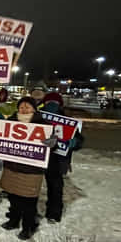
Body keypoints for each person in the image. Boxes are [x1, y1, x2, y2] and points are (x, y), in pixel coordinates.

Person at [0, 97, 57, 240]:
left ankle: (28, 226)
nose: (24, 109)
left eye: (28, 106)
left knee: (28, 200)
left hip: (32, 170)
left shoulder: (43, 125)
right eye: (21, 107)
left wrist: (52, 143)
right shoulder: (10, 122)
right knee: (13, 196)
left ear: (34, 109)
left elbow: (53, 146)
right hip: (12, 167)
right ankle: (13, 220)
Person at [39, 91, 80, 224]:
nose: (52, 104)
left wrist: (74, 142)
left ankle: (54, 213)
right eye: (49, 102)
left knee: (55, 187)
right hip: (38, 155)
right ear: (44, 103)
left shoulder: (68, 120)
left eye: (55, 102)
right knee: (32, 184)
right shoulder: (37, 116)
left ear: (60, 104)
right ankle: (29, 211)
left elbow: (79, 138)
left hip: (57, 158)